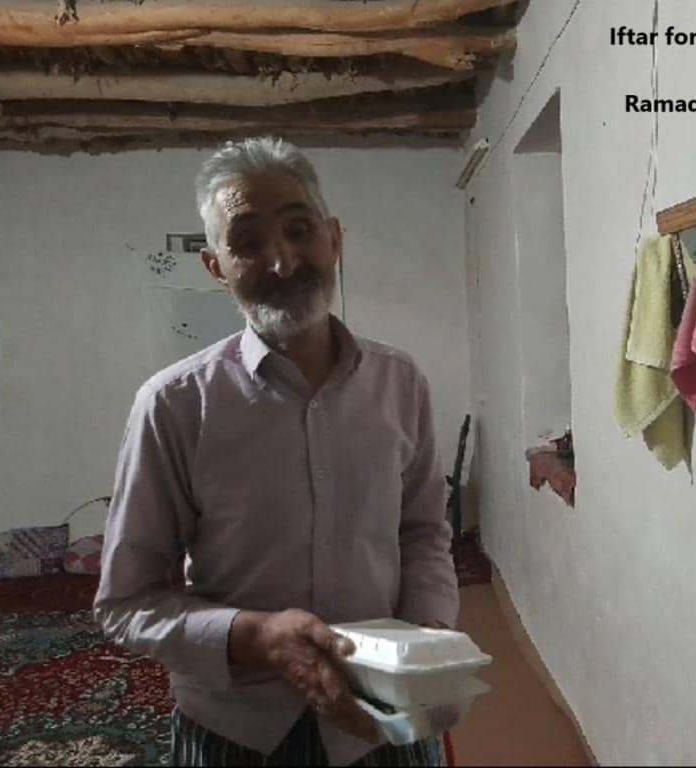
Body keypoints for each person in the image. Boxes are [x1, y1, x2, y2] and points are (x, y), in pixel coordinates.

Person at [93, 136, 459, 766]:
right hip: (236, 732)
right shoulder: (174, 405)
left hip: (381, 725)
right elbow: (128, 603)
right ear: (215, 267)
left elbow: (423, 534)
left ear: (334, 238)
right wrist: (254, 636)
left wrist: (419, 654)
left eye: (298, 230)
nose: (284, 262)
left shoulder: (401, 384)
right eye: (248, 242)